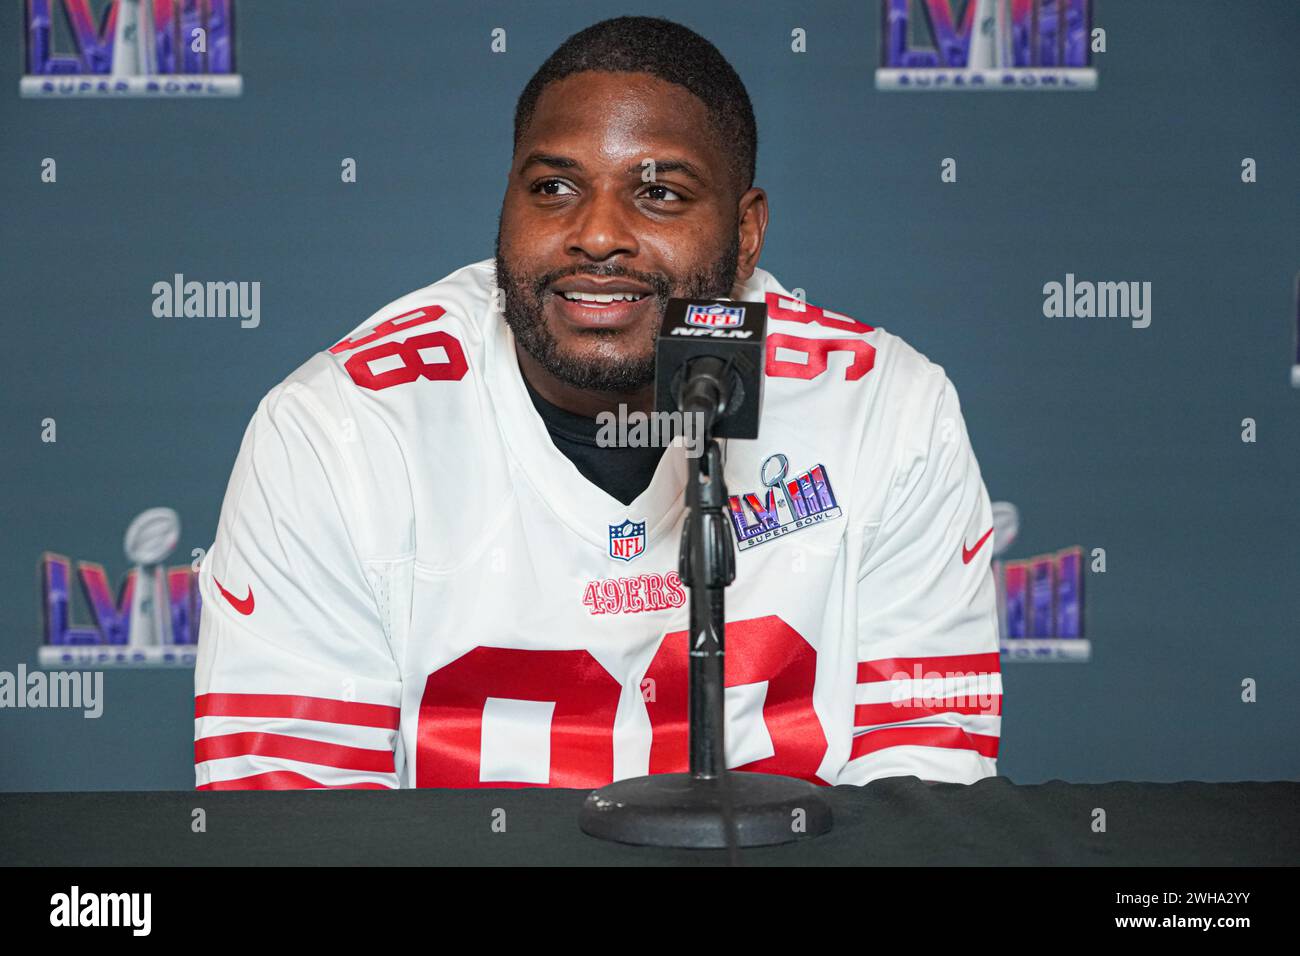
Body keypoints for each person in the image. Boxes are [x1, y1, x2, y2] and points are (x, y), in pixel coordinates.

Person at [194, 16, 1001, 791]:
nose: (597, 234)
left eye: (659, 195)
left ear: (746, 235)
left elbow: (924, 806)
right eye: (553, 187)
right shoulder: (337, 434)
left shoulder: (885, 412)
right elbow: (292, 827)